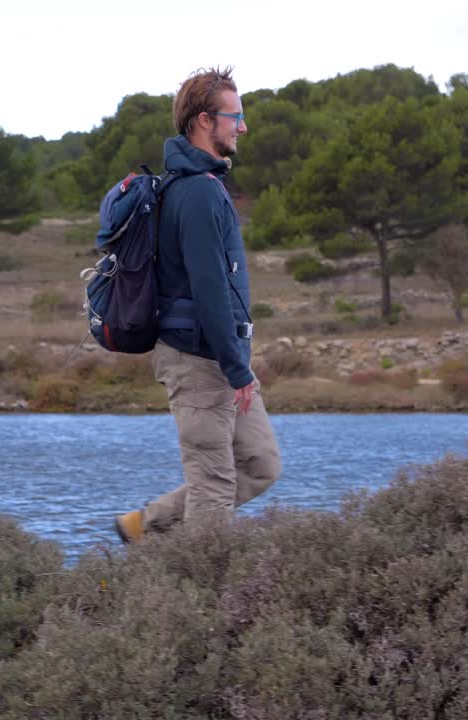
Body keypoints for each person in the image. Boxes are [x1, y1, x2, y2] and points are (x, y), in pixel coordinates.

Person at [115, 67, 281, 543]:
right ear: (206, 121)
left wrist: (237, 363)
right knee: (214, 482)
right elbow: (210, 289)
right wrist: (237, 368)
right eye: (236, 116)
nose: (243, 127)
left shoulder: (200, 186)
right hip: (200, 359)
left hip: (222, 356)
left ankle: (143, 527)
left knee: (261, 465)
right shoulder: (198, 192)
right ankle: (204, 599)